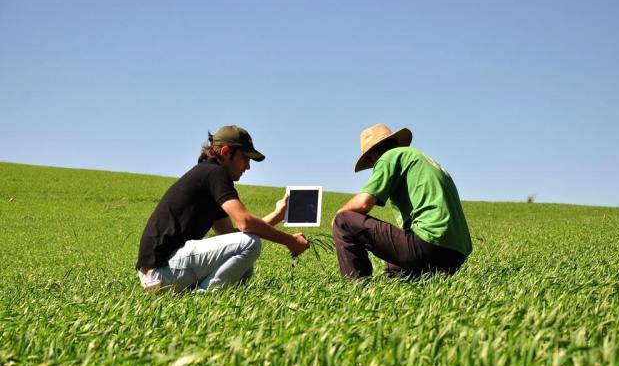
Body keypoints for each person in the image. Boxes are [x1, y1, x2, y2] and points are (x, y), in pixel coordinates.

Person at [136, 125, 310, 293]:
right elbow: (245, 223)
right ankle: (201, 300)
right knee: (251, 244)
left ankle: (193, 293)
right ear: (226, 152)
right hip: (161, 270)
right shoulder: (215, 173)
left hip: (158, 273)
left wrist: (277, 215)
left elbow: (231, 235)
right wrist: (290, 241)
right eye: (245, 158)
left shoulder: (206, 176)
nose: (248, 167)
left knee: (244, 268)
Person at [332, 123, 472, 280]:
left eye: (371, 163)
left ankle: (356, 288)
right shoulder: (420, 158)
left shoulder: (390, 157)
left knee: (343, 220)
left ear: (372, 156)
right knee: (392, 274)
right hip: (455, 256)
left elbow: (364, 202)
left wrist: (337, 217)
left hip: (429, 244)